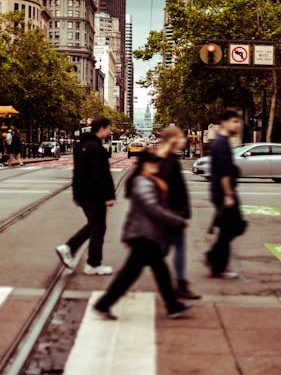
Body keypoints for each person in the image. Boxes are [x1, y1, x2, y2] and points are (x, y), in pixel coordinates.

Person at [93, 150, 191, 320]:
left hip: (145, 235)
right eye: (152, 162)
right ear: (143, 164)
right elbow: (154, 209)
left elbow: (133, 213)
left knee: (153, 273)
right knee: (135, 275)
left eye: (157, 162)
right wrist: (178, 221)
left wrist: (126, 235)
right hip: (144, 236)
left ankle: (172, 305)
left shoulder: (150, 181)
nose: (156, 165)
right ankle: (103, 304)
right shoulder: (143, 183)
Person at [56, 116, 116, 275]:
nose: (110, 131)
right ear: (102, 128)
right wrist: (109, 196)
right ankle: (93, 263)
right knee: (98, 227)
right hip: (94, 195)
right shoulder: (97, 149)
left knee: (94, 225)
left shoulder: (81, 146)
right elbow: (102, 175)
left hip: (83, 193)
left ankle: (70, 248)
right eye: (109, 128)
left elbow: (78, 173)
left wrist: (77, 194)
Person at [157, 126, 200, 300]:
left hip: (172, 214)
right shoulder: (170, 161)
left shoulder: (168, 159)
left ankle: (179, 284)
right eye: (181, 136)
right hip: (174, 214)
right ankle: (180, 284)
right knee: (175, 249)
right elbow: (168, 190)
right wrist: (179, 214)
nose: (184, 139)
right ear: (174, 140)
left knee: (162, 250)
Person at [205, 109, 246, 279]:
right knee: (233, 227)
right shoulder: (221, 143)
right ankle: (215, 262)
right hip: (224, 193)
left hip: (223, 193)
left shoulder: (223, 142)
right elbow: (223, 173)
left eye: (238, 121)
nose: (238, 125)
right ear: (225, 123)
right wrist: (228, 195)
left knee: (230, 228)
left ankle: (215, 260)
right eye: (235, 121)